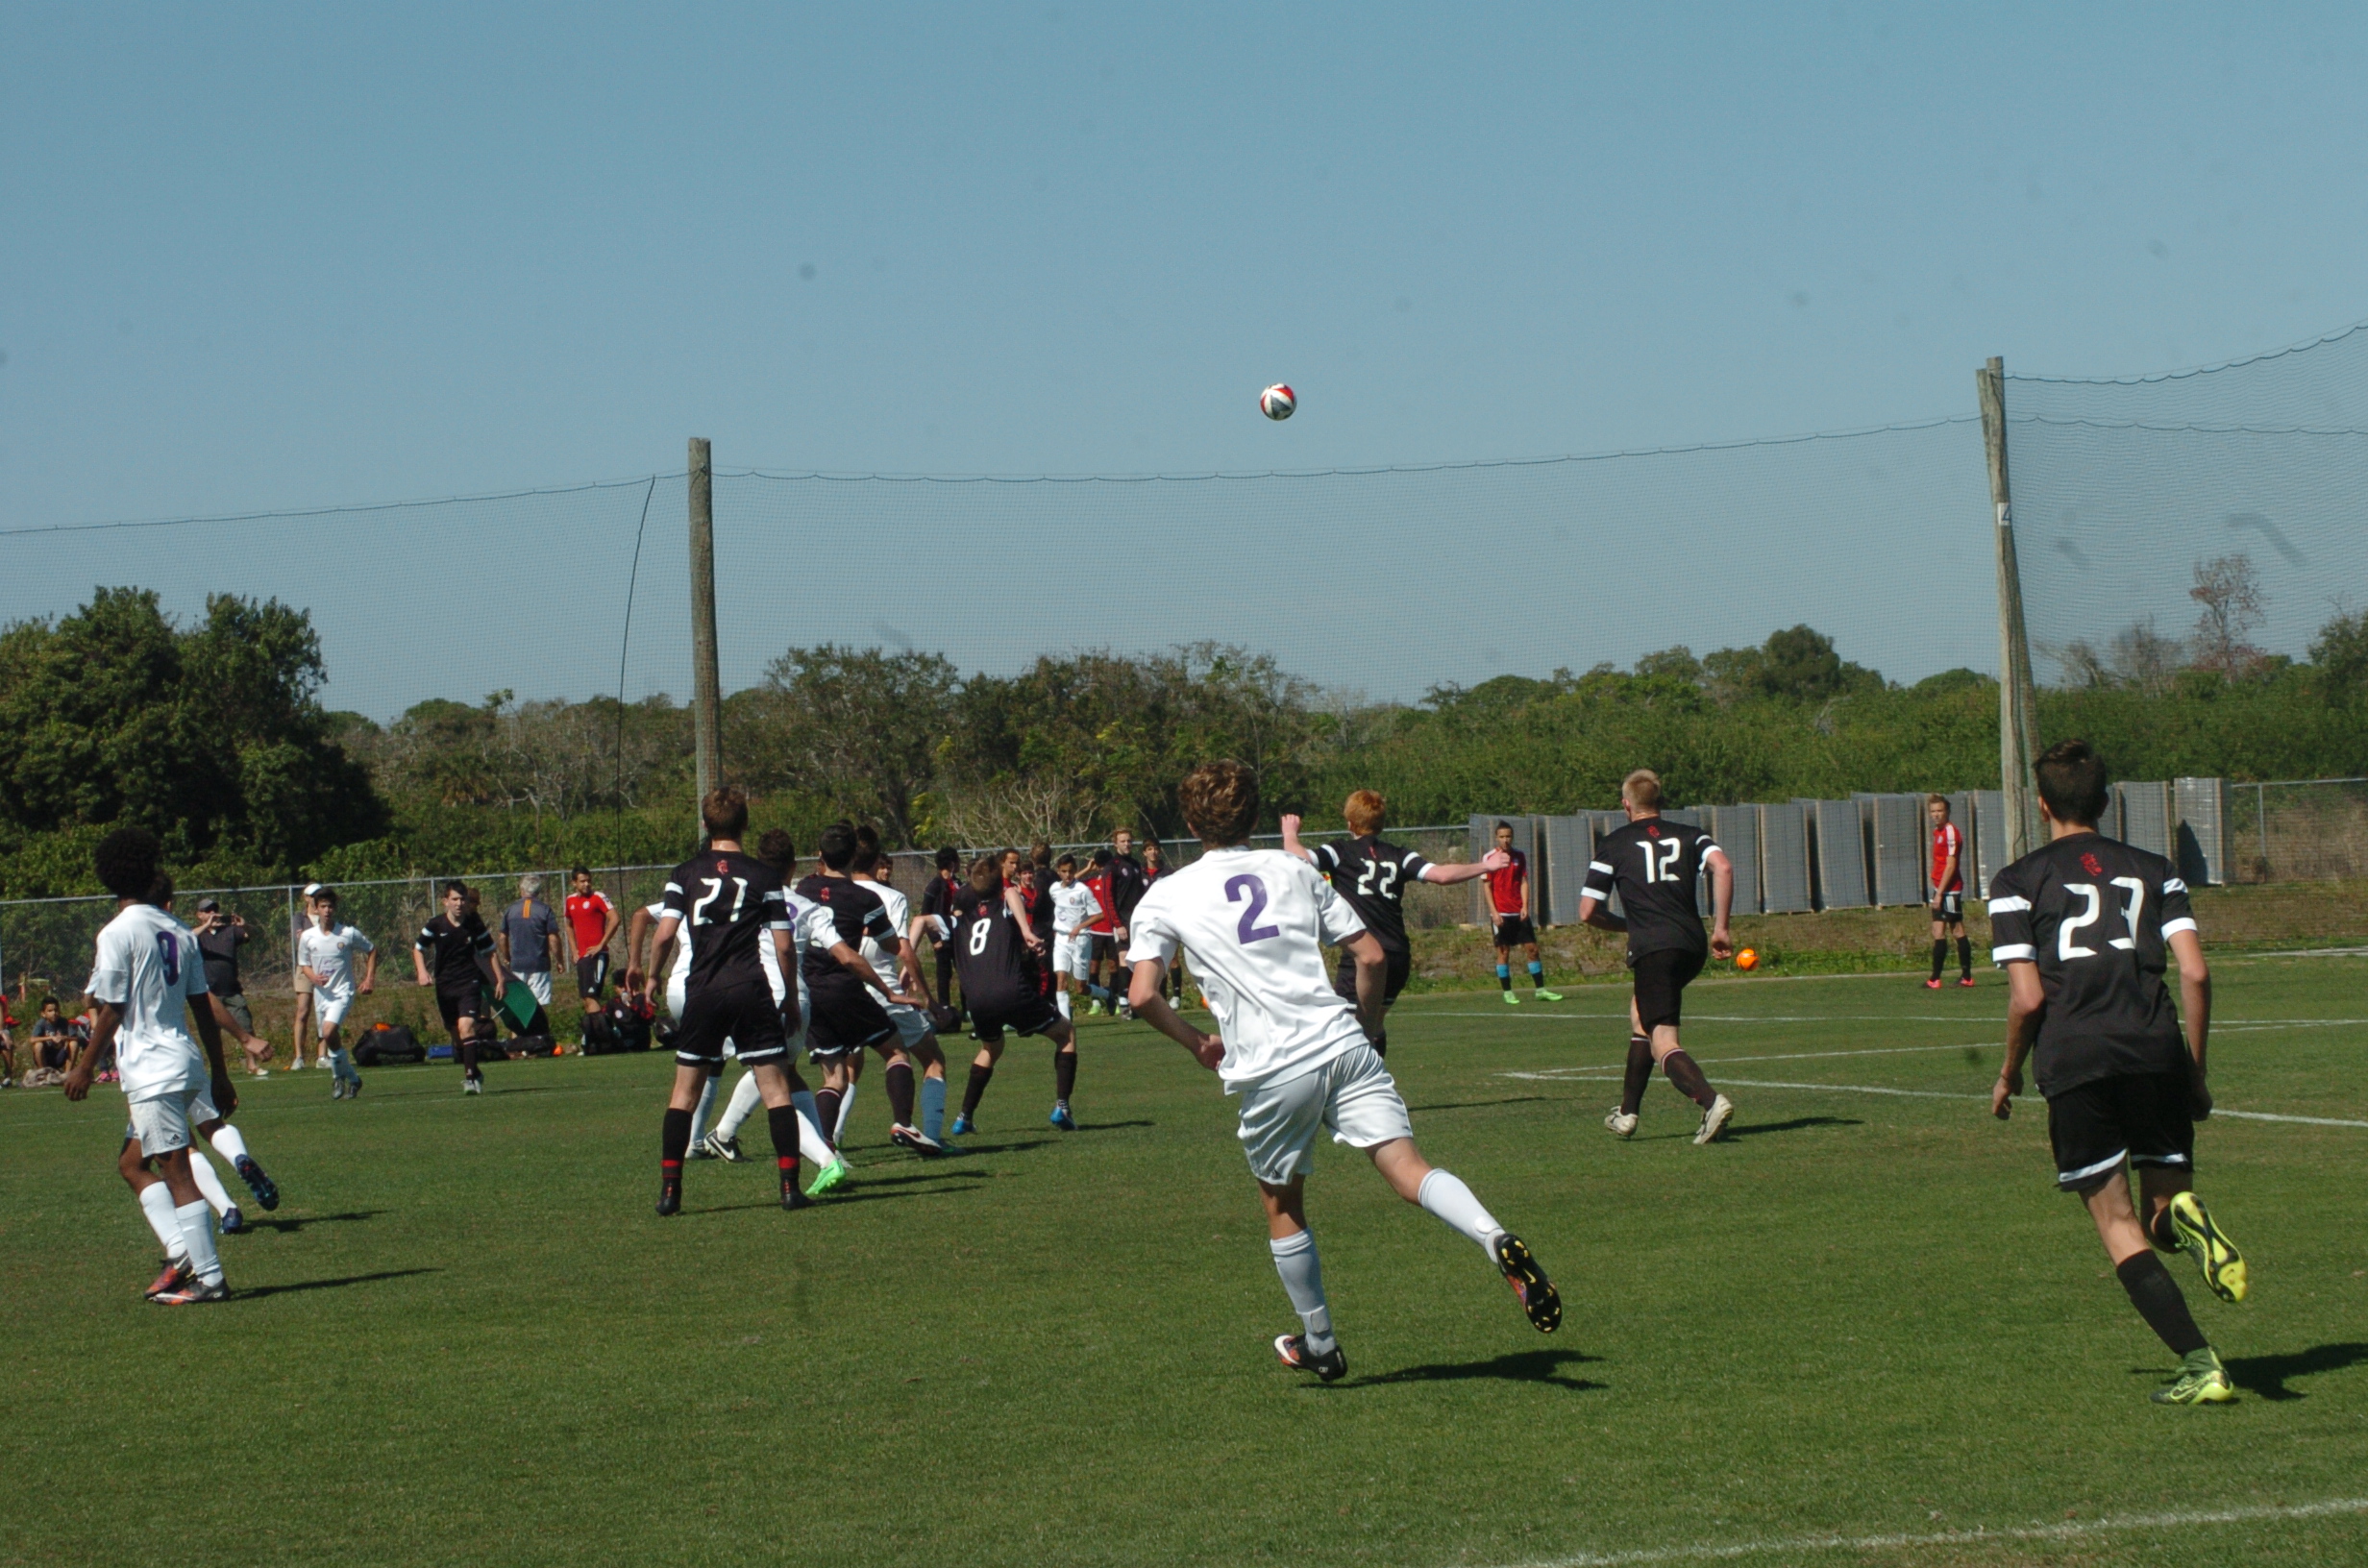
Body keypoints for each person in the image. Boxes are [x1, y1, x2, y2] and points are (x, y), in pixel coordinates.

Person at [1125, 761, 1561, 1381]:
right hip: (1342, 1042)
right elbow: (1371, 956)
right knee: (1409, 1168)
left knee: (1282, 1201)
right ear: (1253, 816)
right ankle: (1493, 1237)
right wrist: (1370, 1027)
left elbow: (1142, 995)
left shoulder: (1167, 894)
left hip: (1274, 1067)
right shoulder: (1293, 869)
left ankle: (1321, 1343)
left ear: (1192, 825)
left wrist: (1197, 1042)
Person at [1988, 740, 2246, 1405]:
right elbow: (2195, 972)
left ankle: (2202, 1365)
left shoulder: (2016, 881)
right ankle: (2185, 1218)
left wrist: (2010, 1072)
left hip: (2077, 1057)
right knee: (2162, 1212)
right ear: (2105, 802)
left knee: (2119, 1224)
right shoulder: (2158, 871)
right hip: (2156, 1050)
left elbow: (2028, 999)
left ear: (2041, 804)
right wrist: (2194, 1070)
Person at [63, 829, 239, 1303]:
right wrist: (220, 1073)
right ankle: (182, 1250)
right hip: (184, 1060)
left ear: (110, 876)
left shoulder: (118, 931)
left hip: (152, 1069)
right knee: (131, 1163)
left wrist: (84, 1066)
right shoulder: (178, 929)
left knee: (176, 1171)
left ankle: (209, 1279)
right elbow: (202, 1006)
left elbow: (113, 1006)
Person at [638, 788, 833, 1217]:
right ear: (745, 824)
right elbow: (784, 946)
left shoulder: (685, 872)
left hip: (703, 990)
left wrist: (651, 976)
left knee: (683, 1093)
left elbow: (665, 934)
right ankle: (789, 1188)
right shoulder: (763, 875)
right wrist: (791, 998)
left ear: (705, 824)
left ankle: (670, 1192)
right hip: (750, 988)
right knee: (776, 1089)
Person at [1280, 791, 1510, 1058]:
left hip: (1364, 955)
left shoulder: (1340, 851)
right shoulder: (1399, 854)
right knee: (1374, 1025)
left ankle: (1361, 1080)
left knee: (1346, 1030)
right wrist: (1484, 866)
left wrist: (1290, 834)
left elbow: (1299, 859)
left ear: (1350, 823)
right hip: (1397, 954)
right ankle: (1374, 1075)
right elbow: (1441, 875)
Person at [1583, 770, 1738, 1145]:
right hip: (1691, 944)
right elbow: (1723, 866)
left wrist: (1628, 926)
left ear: (1626, 805)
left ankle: (1711, 1102)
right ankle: (1626, 1113)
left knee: (1663, 1040)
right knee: (1642, 1017)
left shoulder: (1614, 844)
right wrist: (1721, 928)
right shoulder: (1691, 834)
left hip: (1653, 948)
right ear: (1660, 802)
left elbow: (1588, 911)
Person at [698, 830, 846, 1189]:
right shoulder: (806, 906)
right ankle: (826, 1151)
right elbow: (837, 951)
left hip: (760, 997)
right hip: (799, 998)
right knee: (787, 1075)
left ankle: (824, 1160)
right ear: (793, 866)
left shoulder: (743, 899)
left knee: (771, 1084)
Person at [946, 855, 1079, 1136]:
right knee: (1066, 1033)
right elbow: (1009, 894)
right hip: (1011, 991)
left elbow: (923, 921)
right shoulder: (1005, 903)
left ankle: (963, 1117)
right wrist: (1027, 931)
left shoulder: (961, 919)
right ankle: (1062, 1107)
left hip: (976, 1000)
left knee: (991, 1048)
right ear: (1000, 885)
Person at [851, 843, 955, 1153]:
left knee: (844, 1071)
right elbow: (903, 950)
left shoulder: (831, 892)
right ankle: (930, 1136)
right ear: (875, 862)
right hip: (884, 992)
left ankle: (831, 1144)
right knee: (932, 1059)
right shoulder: (890, 897)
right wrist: (930, 1000)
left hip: (844, 993)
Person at [414, 881, 507, 1093]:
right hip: (445, 986)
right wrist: (421, 971)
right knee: (457, 1036)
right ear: (445, 901)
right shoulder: (436, 925)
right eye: (454, 899)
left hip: (469, 982)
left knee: (467, 1027)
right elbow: (418, 948)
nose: (459, 903)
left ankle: (470, 1080)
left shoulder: (474, 924)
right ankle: (475, 1070)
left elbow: (490, 952)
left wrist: (500, 979)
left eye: (462, 899)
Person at [297, 888, 377, 1099]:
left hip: (342, 992)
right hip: (321, 995)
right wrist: (314, 978)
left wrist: (369, 978)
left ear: (335, 908)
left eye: (330, 906)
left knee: (328, 1031)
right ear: (316, 908)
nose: (327, 911)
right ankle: (352, 1078)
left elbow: (371, 949)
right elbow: (304, 963)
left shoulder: (347, 933)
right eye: (323, 906)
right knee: (330, 1037)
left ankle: (336, 1077)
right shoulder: (307, 936)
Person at [191, 898, 275, 1074]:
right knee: (211, 1035)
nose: (212, 913)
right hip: (209, 994)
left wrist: (245, 926)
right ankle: (218, 1069)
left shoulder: (229, 931)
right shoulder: (198, 935)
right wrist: (206, 925)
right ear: (199, 915)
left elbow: (253, 935)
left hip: (232, 991)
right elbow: (186, 938)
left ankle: (252, 1065)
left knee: (245, 1027)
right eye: (207, 911)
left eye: (214, 909)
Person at [1484, 821, 1561, 1004]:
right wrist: (1494, 912)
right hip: (1501, 913)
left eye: (1508, 836)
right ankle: (1507, 992)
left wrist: (1525, 906)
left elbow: (1524, 882)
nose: (1506, 840)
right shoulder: (1490, 858)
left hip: (1518, 912)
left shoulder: (1519, 856)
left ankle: (1540, 990)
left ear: (1512, 837)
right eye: (1502, 837)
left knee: (1532, 949)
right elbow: (1487, 887)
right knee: (1503, 952)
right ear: (1496, 838)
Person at [500, 875, 566, 1020]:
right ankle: (538, 1032)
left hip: (517, 965)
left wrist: (506, 957)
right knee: (539, 1007)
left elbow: (503, 937)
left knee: (518, 1007)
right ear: (538, 891)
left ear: (521, 889)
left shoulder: (511, 909)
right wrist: (559, 960)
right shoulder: (544, 910)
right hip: (539, 965)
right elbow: (553, 938)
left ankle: (518, 1033)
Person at [1926, 794, 1975, 990]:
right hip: (1940, 888)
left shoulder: (1951, 832)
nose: (1936, 814)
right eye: (1933, 811)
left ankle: (1965, 976)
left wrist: (1940, 893)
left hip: (1949, 890)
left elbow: (1951, 865)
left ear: (1947, 812)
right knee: (1938, 931)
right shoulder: (1937, 832)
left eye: (1940, 810)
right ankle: (1936, 978)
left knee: (1956, 930)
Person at [1048, 854, 1100, 1020]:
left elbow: (1099, 915)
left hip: (1080, 940)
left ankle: (1106, 994)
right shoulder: (1054, 889)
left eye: (1071, 871)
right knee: (1061, 981)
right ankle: (1065, 1022)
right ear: (1058, 871)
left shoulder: (1083, 890)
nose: (1068, 875)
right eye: (1064, 871)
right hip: (1061, 940)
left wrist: (1079, 927)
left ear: (1075, 870)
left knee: (1080, 988)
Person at [564, 867, 621, 1005]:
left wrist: (601, 945)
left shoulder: (598, 897)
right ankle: (595, 1019)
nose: (587, 884)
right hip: (582, 956)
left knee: (592, 997)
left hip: (597, 955)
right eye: (582, 881)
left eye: (589, 881)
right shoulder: (570, 900)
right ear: (574, 883)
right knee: (586, 998)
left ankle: (598, 1020)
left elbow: (615, 919)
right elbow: (568, 925)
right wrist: (574, 950)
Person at [920, 846, 965, 1015]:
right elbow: (925, 915)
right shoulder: (934, 885)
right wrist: (935, 939)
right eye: (957, 860)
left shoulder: (958, 883)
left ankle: (968, 1008)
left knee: (964, 972)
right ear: (952, 863)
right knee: (944, 974)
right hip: (942, 937)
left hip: (959, 936)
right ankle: (944, 1008)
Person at [1082, 847, 1121, 1013]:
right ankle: (1096, 1002)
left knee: (1113, 966)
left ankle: (1115, 998)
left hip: (1112, 931)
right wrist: (1087, 869)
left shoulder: (1115, 881)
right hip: (1095, 931)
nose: (1103, 869)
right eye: (1101, 866)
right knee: (1094, 966)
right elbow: (1069, 882)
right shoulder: (1090, 883)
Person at [289, 884, 323, 1070]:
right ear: (306, 898)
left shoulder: (327, 916)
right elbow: (301, 940)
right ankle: (299, 1057)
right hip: (305, 968)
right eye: (313, 895)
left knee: (323, 1013)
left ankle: (322, 1056)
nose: (317, 899)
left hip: (324, 968)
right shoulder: (299, 918)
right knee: (302, 1011)